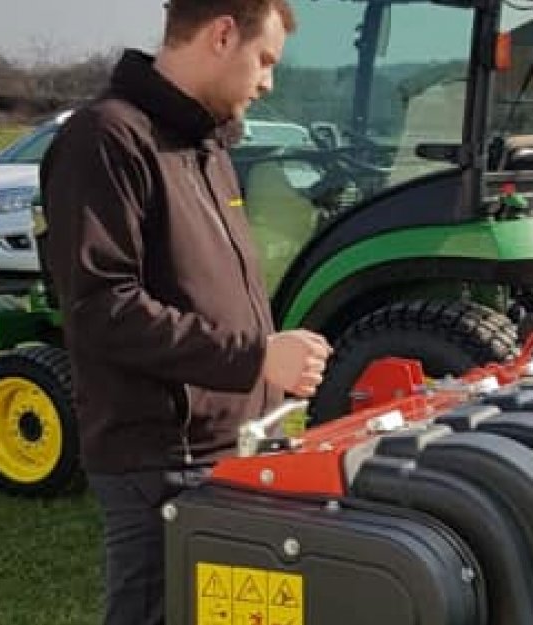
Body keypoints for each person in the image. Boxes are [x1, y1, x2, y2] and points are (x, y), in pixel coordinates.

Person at [35, 2, 332, 624]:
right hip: (161, 462)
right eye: (266, 60)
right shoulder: (105, 139)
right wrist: (255, 357)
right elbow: (99, 308)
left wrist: (269, 363)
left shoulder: (206, 147)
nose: (268, 81)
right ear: (223, 34)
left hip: (232, 449)